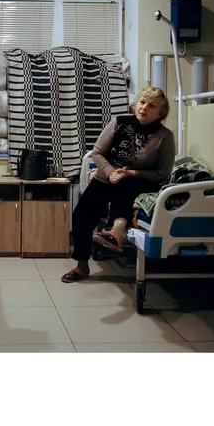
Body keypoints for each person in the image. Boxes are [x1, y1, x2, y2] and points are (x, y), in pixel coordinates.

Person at [61, 87, 175, 283]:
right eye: (142, 102)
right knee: (81, 216)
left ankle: (116, 232)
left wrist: (131, 173)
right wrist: (110, 172)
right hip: (107, 176)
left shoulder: (164, 136)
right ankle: (82, 266)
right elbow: (97, 153)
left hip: (138, 181)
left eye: (152, 106)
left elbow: (162, 173)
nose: (144, 108)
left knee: (125, 184)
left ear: (161, 113)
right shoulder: (120, 122)